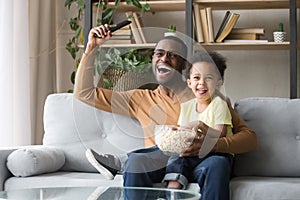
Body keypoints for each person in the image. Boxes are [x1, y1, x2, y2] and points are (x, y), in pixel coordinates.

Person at [74, 24, 257, 199]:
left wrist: (215, 145)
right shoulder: (140, 99)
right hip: (160, 164)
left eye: (172, 55)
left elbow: (249, 138)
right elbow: (84, 94)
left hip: (202, 162)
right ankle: (124, 161)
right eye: (159, 54)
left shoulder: (205, 96)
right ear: (153, 60)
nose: (164, 59)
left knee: (217, 163)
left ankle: (120, 161)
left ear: (184, 64)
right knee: (136, 162)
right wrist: (91, 49)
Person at [163, 51, 233, 191]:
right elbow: (183, 135)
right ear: (189, 82)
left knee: (215, 163)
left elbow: (221, 134)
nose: (201, 83)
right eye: (196, 77)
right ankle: (172, 192)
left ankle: (174, 190)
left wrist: (200, 126)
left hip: (216, 153)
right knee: (178, 157)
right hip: (193, 155)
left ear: (219, 82)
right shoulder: (187, 106)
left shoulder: (219, 104)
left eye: (208, 78)